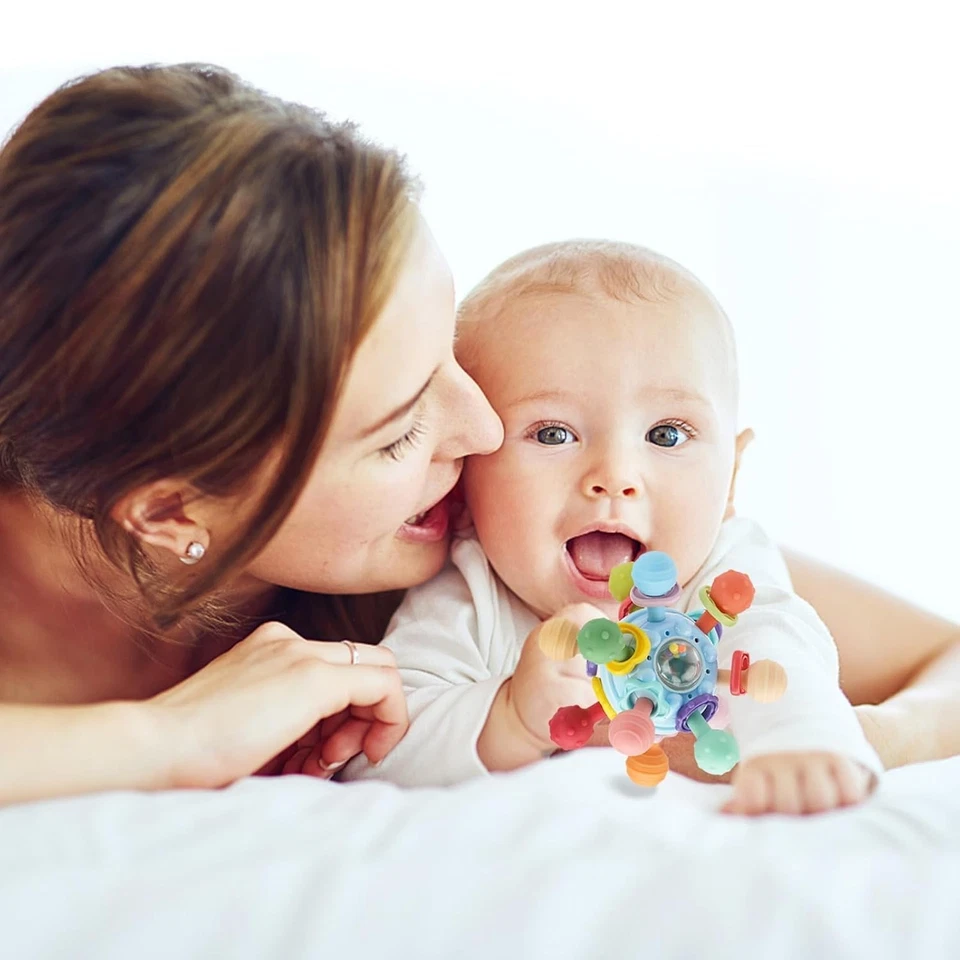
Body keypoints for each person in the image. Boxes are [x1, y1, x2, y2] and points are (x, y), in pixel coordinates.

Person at [0, 64, 956, 808]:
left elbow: (939, 661)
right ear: (173, 510)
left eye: (448, 354)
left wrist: (836, 735)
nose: (486, 426)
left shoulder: (497, 541)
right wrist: (169, 739)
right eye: (400, 426)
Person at [342, 241, 881, 815]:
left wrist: (800, 741)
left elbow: (782, 650)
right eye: (553, 434)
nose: (615, 477)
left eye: (667, 435)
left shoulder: (727, 574)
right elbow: (377, 752)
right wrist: (508, 718)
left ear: (730, 479)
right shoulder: (469, 596)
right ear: (466, 479)